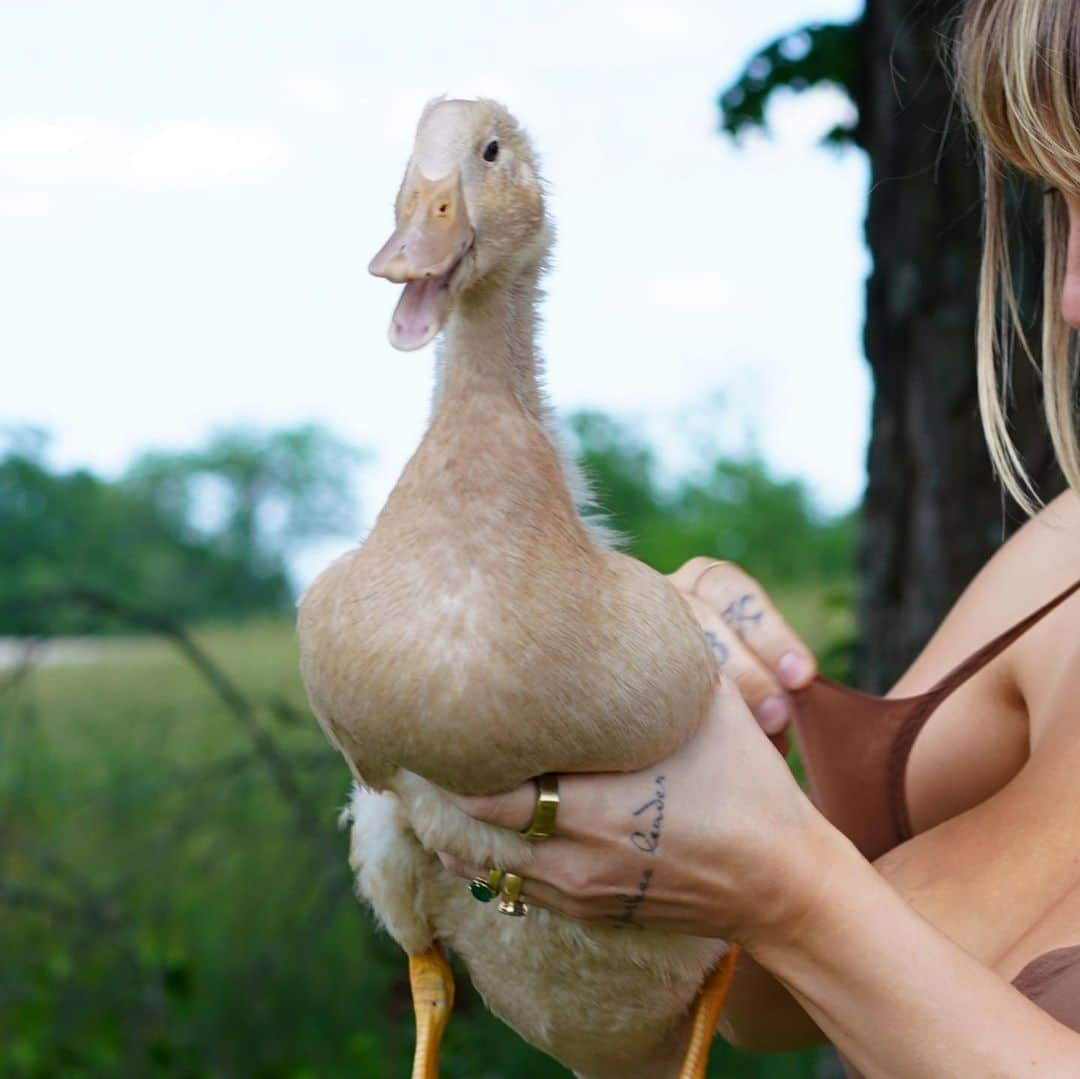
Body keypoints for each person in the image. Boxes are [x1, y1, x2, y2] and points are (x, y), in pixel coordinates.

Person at [438, 0, 1080, 1074]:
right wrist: (700, 754)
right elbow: (766, 999)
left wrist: (790, 890)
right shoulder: (1062, 567)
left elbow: (807, 926)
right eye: (1059, 207)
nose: (1069, 298)